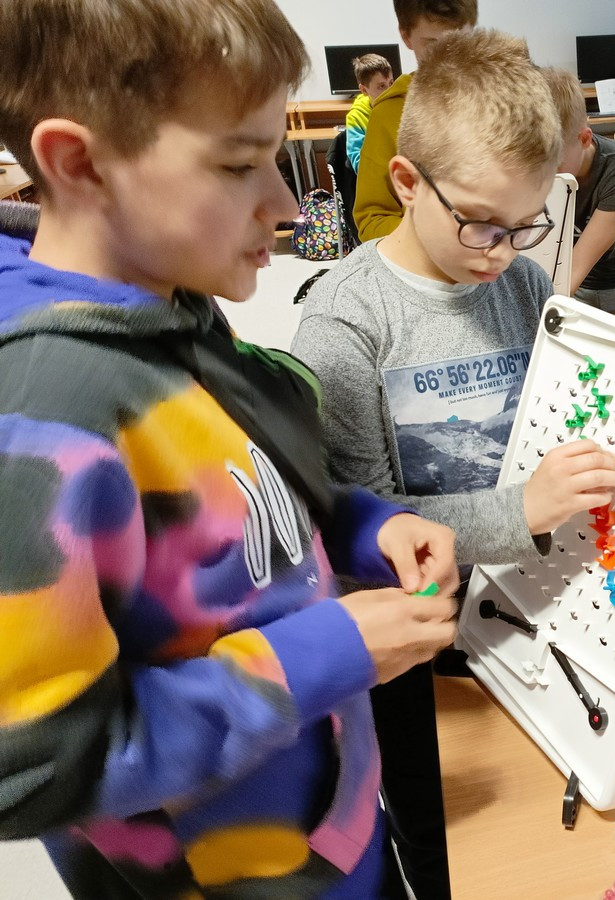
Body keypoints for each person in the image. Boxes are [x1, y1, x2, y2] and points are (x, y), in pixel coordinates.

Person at [0, 0, 462, 897]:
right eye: (240, 164)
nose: (285, 205)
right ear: (80, 164)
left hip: (329, 841)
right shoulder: (44, 412)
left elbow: (238, 499)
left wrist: (364, 527)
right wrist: (320, 655)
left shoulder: (169, 302)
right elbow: (37, 768)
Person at [291, 29, 615, 900]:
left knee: (540, 825)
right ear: (407, 182)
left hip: (528, 607)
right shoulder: (344, 324)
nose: (502, 251)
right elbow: (363, 519)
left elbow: (548, 420)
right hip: (417, 641)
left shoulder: (520, 284)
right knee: (443, 838)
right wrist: (524, 510)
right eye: (480, 222)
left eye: (525, 226)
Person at [354, 0, 478, 242]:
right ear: (406, 36)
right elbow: (372, 220)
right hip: (426, 256)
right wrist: (439, 237)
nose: (449, 57)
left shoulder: (498, 100)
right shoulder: (388, 114)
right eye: (432, 43)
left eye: (460, 41)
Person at [543, 68, 615, 313]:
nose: (545, 175)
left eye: (554, 162)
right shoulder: (543, 171)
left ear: (584, 139)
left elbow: (571, 274)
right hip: (577, 291)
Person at [346, 52, 395, 172]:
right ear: (364, 90)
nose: (390, 91)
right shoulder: (356, 117)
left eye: (391, 83)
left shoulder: (399, 105)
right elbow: (359, 164)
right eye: (381, 86)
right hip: (379, 176)